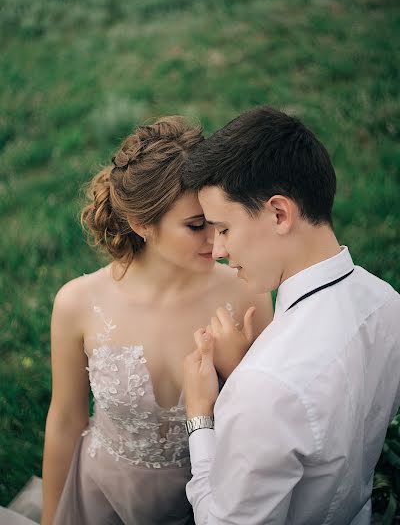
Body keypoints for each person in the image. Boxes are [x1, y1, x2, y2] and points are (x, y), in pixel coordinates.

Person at [41, 116, 273, 525]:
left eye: (219, 224)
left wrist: (239, 367)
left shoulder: (246, 291)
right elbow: (65, 420)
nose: (217, 243)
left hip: (207, 500)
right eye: (196, 227)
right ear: (141, 224)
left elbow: (268, 420)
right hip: (103, 500)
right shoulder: (78, 304)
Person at [182, 106, 400, 525]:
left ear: (279, 214)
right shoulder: (386, 302)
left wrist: (201, 417)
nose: (219, 250)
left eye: (224, 228)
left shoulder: (262, 389)